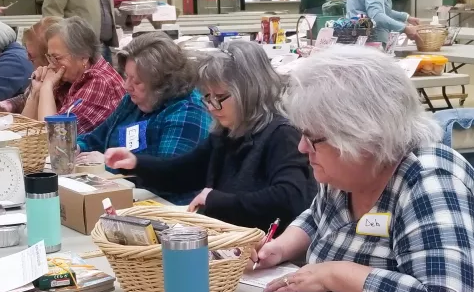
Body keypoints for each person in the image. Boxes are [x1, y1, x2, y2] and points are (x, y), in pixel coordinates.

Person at [253, 47, 474, 292]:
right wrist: (279, 248)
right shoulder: (346, 172)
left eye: (314, 138)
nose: (303, 148)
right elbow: (318, 218)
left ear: (363, 138)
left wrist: (335, 274)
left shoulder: (431, 182)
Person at [106, 41, 317, 232]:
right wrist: (136, 163)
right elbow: (185, 171)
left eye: (219, 98)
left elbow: (290, 198)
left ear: (249, 91)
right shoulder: (228, 131)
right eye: (207, 97)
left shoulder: (282, 135)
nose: (212, 107)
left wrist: (217, 200)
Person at [75, 33, 212, 204]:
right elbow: (96, 138)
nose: (126, 86)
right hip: (125, 195)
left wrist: (107, 164)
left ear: (162, 83)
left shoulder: (187, 110)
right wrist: (76, 148)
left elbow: (168, 177)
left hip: (166, 208)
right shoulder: (132, 101)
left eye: (137, 81)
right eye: (127, 77)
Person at [22, 17, 124, 134]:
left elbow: (55, 136)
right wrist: (36, 92)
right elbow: (26, 132)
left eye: (56, 58)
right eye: (49, 57)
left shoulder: (99, 82)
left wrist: (46, 87)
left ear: (84, 56)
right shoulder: (72, 79)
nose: (51, 64)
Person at [0, 16, 61, 114]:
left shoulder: (68, 87)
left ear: (49, 58)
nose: (27, 58)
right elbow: (22, 100)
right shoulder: (41, 75)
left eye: (31, 55)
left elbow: (48, 125)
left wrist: (44, 89)